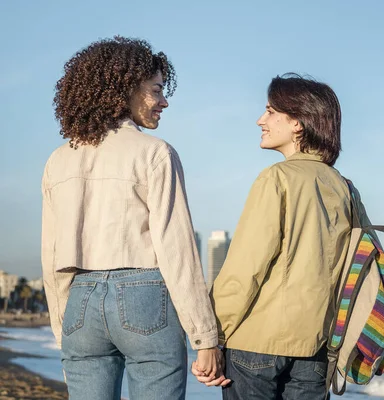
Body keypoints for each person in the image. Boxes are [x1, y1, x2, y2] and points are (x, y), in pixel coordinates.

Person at [41, 36, 228, 400]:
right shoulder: (155, 153)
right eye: (156, 90)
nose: (164, 101)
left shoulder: (58, 159)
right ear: (124, 89)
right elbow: (177, 250)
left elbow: (51, 255)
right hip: (145, 295)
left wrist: (62, 328)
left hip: (80, 298)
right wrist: (205, 337)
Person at [199, 73, 352, 399]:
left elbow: (246, 266)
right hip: (316, 346)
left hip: (256, 343)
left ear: (298, 122)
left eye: (270, 111)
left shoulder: (277, 178)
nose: (260, 120)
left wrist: (214, 336)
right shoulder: (344, 187)